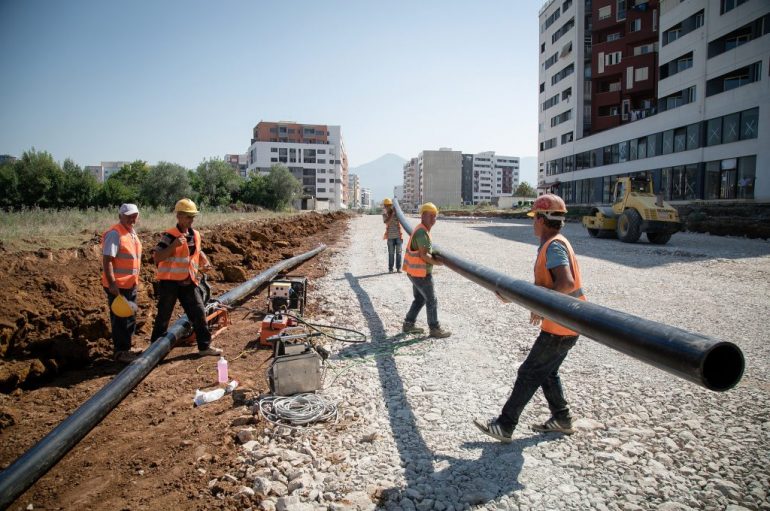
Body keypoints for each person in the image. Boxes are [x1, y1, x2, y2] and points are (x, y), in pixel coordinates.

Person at [474, 193, 585, 442]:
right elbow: (548, 287)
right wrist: (519, 298)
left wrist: (541, 306)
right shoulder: (556, 243)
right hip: (567, 323)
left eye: (534, 217)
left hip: (561, 325)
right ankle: (562, 418)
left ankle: (505, 425)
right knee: (547, 372)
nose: (533, 222)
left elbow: (565, 283)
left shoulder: (554, 245)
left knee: (528, 372)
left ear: (542, 219)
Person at [150, 198, 222, 357]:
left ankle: (204, 346)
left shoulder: (195, 234)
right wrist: (173, 246)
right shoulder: (170, 236)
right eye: (189, 216)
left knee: (198, 313)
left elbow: (196, 251)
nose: (191, 220)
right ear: (179, 216)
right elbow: (157, 257)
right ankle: (153, 352)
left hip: (188, 281)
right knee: (163, 316)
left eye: (193, 216)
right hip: (170, 283)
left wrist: (203, 259)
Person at [401, 202, 451, 339]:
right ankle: (434, 328)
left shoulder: (421, 229)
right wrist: (437, 263)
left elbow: (423, 251)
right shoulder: (422, 232)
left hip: (414, 272)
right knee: (431, 300)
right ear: (423, 216)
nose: (433, 219)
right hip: (421, 274)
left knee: (420, 299)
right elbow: (423, 255)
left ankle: (408, 324)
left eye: (435, 216)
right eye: (430, 216)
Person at [102, 203, 143, 363]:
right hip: (118, 286)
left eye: (134, 216)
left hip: (130, 284)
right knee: (120, 319)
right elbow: (107, 260)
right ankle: (120, 352)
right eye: (128, 216)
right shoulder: (115, 233)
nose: (132, 219)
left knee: (129, 316)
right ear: (120, 216)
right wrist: (112, 283)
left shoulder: (131, 232)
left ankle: (127, 348)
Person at [382, 198, 403, 273]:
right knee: (391, 254)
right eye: (386, 206)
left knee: (399, 253)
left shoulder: (397, 213)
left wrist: (396, 212)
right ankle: (390, 269)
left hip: (398, 236)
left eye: (389, 205)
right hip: (390, 237)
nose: (388, 207)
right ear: (385, 206)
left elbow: (402, 219)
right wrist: (392, 214)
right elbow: (387, 222)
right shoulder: (384, 214)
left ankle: (398, 268)